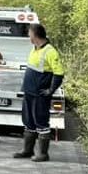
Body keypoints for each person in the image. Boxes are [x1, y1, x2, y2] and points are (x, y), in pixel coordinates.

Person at [13, 23, 65, 162]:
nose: (28, 36)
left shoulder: (50, 51)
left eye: (29, 34)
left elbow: (59, 73)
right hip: (29, 93)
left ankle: (43, 153)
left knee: (41, 123)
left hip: (39, 95)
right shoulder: (34, 49)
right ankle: (27, 150)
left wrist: (51, 90)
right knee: (28, 122)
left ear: (35, 35)